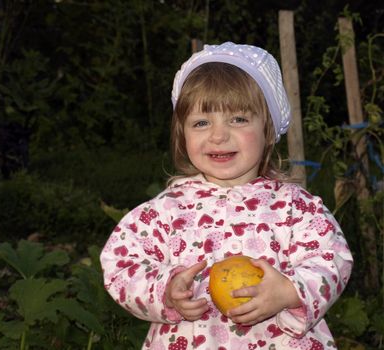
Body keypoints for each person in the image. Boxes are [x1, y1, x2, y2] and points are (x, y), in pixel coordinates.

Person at [100, 42, 353, 349]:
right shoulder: (165, 211)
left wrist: (289, 291)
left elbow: (333, 258)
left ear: (269, 130)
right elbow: (121, 263)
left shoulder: (294, 207)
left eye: (238, 119)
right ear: (183, 134)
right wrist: (165, 291)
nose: (218, 135)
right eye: (201, 123)